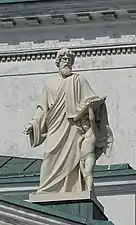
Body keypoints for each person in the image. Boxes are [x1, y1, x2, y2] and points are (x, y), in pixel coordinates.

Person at [23, 48, 113, 194]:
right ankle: (46, 189)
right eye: (64, 60)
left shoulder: (79, 80)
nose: (67, 63)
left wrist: (95, 104)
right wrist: (32, 124)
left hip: (74, 129)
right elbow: (42, 109)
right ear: (58, 62)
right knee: (49, 156)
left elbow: (91, 100)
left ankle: (73, 189)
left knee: (76, 158)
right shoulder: (49, 85)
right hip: (55, 127)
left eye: (70, 61)